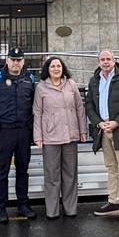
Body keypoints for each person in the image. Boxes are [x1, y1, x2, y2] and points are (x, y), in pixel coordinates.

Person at [0, 47, 37, 223]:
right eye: (12, 59)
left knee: (22, 170)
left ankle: (23, 205)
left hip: (24, 131)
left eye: (19, 60)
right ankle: (2, 208)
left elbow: (34, 102)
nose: (16, 63)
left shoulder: (30, 78)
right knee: (3, 170)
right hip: (4, 131)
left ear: (23, 61)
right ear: (7, 60)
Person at [85, 49, 119, 223]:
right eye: (102, 59)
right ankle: (113, 201)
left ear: (114, 61)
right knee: (111, 168)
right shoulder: (94, 81)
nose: (105, 62)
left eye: (108, 59)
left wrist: (117, 122)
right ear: (98, 62)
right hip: (103, 129)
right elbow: (89, 106)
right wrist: (99, 123)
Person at [32, 56, 87, 219]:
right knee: (52, 176)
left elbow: (79, 108)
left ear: (63, 68)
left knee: (70, 175)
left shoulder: (71, 84)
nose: (56, 69)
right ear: (47, 70)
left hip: (71, 136)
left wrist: (83, 130)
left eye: (58, 66)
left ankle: (70, 209)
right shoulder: (41, 88)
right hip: (50, 138)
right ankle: (52, 211)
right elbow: (37, 113)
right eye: (52, 66)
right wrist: (38, 136)